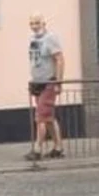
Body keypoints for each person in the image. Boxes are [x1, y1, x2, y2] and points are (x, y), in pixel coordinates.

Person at [25, 13, 65, 161]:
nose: (34, 26)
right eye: (32, 23)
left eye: (37, 23)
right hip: (37, 82)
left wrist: (58, 82)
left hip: (49, 82)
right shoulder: (32, 39)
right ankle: (58, 147)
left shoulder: (51, 38)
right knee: (48, 117)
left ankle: (37, 149)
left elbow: (60, 59)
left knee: (41, 117)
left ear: (44, 23)